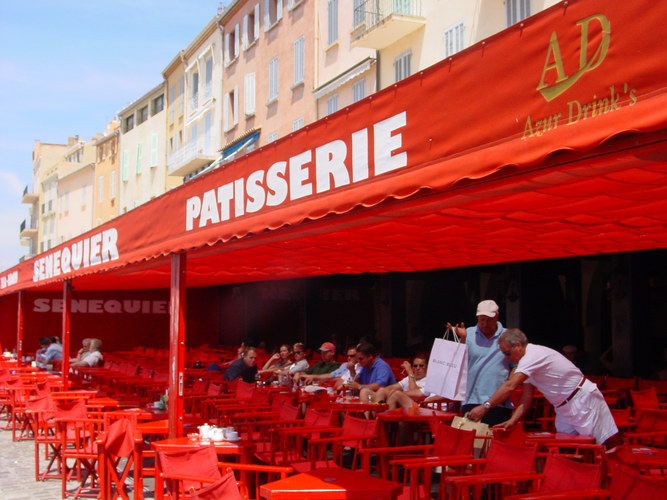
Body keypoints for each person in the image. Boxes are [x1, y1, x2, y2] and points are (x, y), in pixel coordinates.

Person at [467, 328, 618, 446]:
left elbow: (510, 386)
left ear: (518, 345)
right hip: (564, 407)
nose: (507, 358)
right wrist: (513, 420)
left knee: (600, 447)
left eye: (507, 353)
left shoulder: (532, 355)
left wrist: (484, 406)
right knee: (568, 448)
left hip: (583, 400)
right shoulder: (525, 362)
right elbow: (527, 395)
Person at [448, 299, 512, 426]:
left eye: (489, 320)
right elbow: (457, 363)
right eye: (482, 319)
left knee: (495, 444)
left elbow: (516, 366)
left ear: (497, 317)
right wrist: (462, 339)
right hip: (472, 399)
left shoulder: (508, 336)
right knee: (474, 443)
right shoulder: (468, 334)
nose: (485, 323)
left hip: (499, 402)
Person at [364, 355, 431, 410]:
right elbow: (392, 387)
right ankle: (371, 420)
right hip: (400, 404)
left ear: (427, 367)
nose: (418, 368)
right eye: (415, 366)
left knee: (394, 394)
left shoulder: (428, 380)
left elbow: (414, 391)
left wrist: (410, 372)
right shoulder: (408, 378)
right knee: (366, 391)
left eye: (421, 366)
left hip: (417, 406)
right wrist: (379, 392)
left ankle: (380, 421)